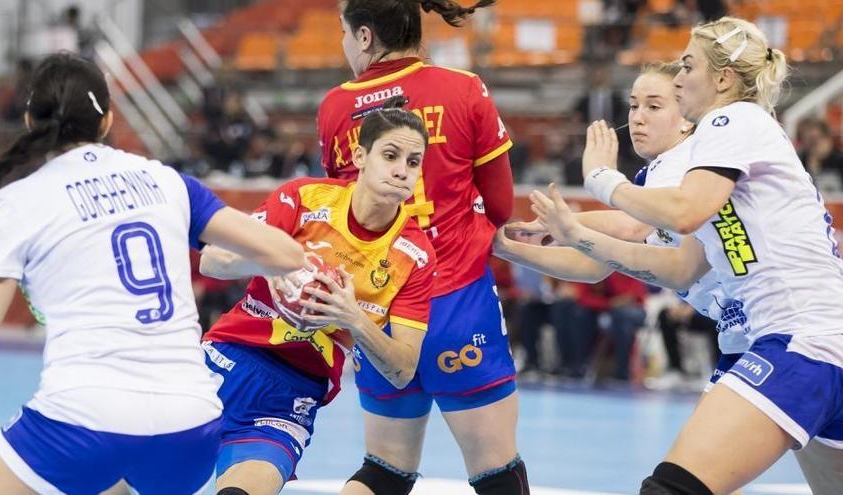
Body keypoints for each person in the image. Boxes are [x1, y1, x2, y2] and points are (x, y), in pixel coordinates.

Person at [0, 53, 306, 495]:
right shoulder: (166, 181)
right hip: (192, 429)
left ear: (30, 119)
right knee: (115, 477)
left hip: (85, 423)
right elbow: (285, 252)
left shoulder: (16, 203)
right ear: (107, 119)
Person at [539, 17, 843, 495]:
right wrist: (565, 233)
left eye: (687, 66)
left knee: (671, 489)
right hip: (809, 339)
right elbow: (680, 265)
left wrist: (601, 179)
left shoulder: (732, 119)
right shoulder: (724, 150)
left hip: (798, 339)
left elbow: (678, 213)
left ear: (722, 79)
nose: (679, 78)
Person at [317, 1, 527, 494]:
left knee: (384, 469)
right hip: (457, 300)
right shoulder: (464, 88)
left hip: (382, 307)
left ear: (365, 37)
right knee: (496, 468)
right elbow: (501, 204)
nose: (345, 45)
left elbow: (349, 215)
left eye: (345, 34)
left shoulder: (335, 107)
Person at [197, 97, 437, 495]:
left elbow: (403, 369)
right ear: (361, 156)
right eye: (391, 155)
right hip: (224, 359)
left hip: (289, 397)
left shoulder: (415, 254)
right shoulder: (305, 198)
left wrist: (352, 318)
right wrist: (269, 262)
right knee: (123, 470)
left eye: (413, 163)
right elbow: (212, 260)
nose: (401, 171)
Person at [499, 61, 749, 390]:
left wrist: (598, 182)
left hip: (777, 327)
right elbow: (594, 264)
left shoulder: (690, 162)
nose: (637, 117)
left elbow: (630, 227)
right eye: (633, 105)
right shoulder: (657, 177)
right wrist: (508, 247)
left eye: (654, 106)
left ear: (687, 117)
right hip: (744, 336)